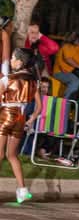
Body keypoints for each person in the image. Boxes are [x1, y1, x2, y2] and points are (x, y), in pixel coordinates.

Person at [1, 48, 37, 203]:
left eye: (14, 58)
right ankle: (22, 190)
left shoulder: (8, 79)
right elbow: (37, 105)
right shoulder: (33, 80)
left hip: (6, 115)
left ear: (20, 61)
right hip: (20, 118)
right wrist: (32, 117)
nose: (11, 60)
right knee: (12, 155)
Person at [52, 34, 79, 101]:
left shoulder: (77, 48)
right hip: (60, 72)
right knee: (75, 80)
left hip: (72, 72)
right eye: (78, 40)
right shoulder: (66, 47)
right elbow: (68, 60)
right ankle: (65, 102)